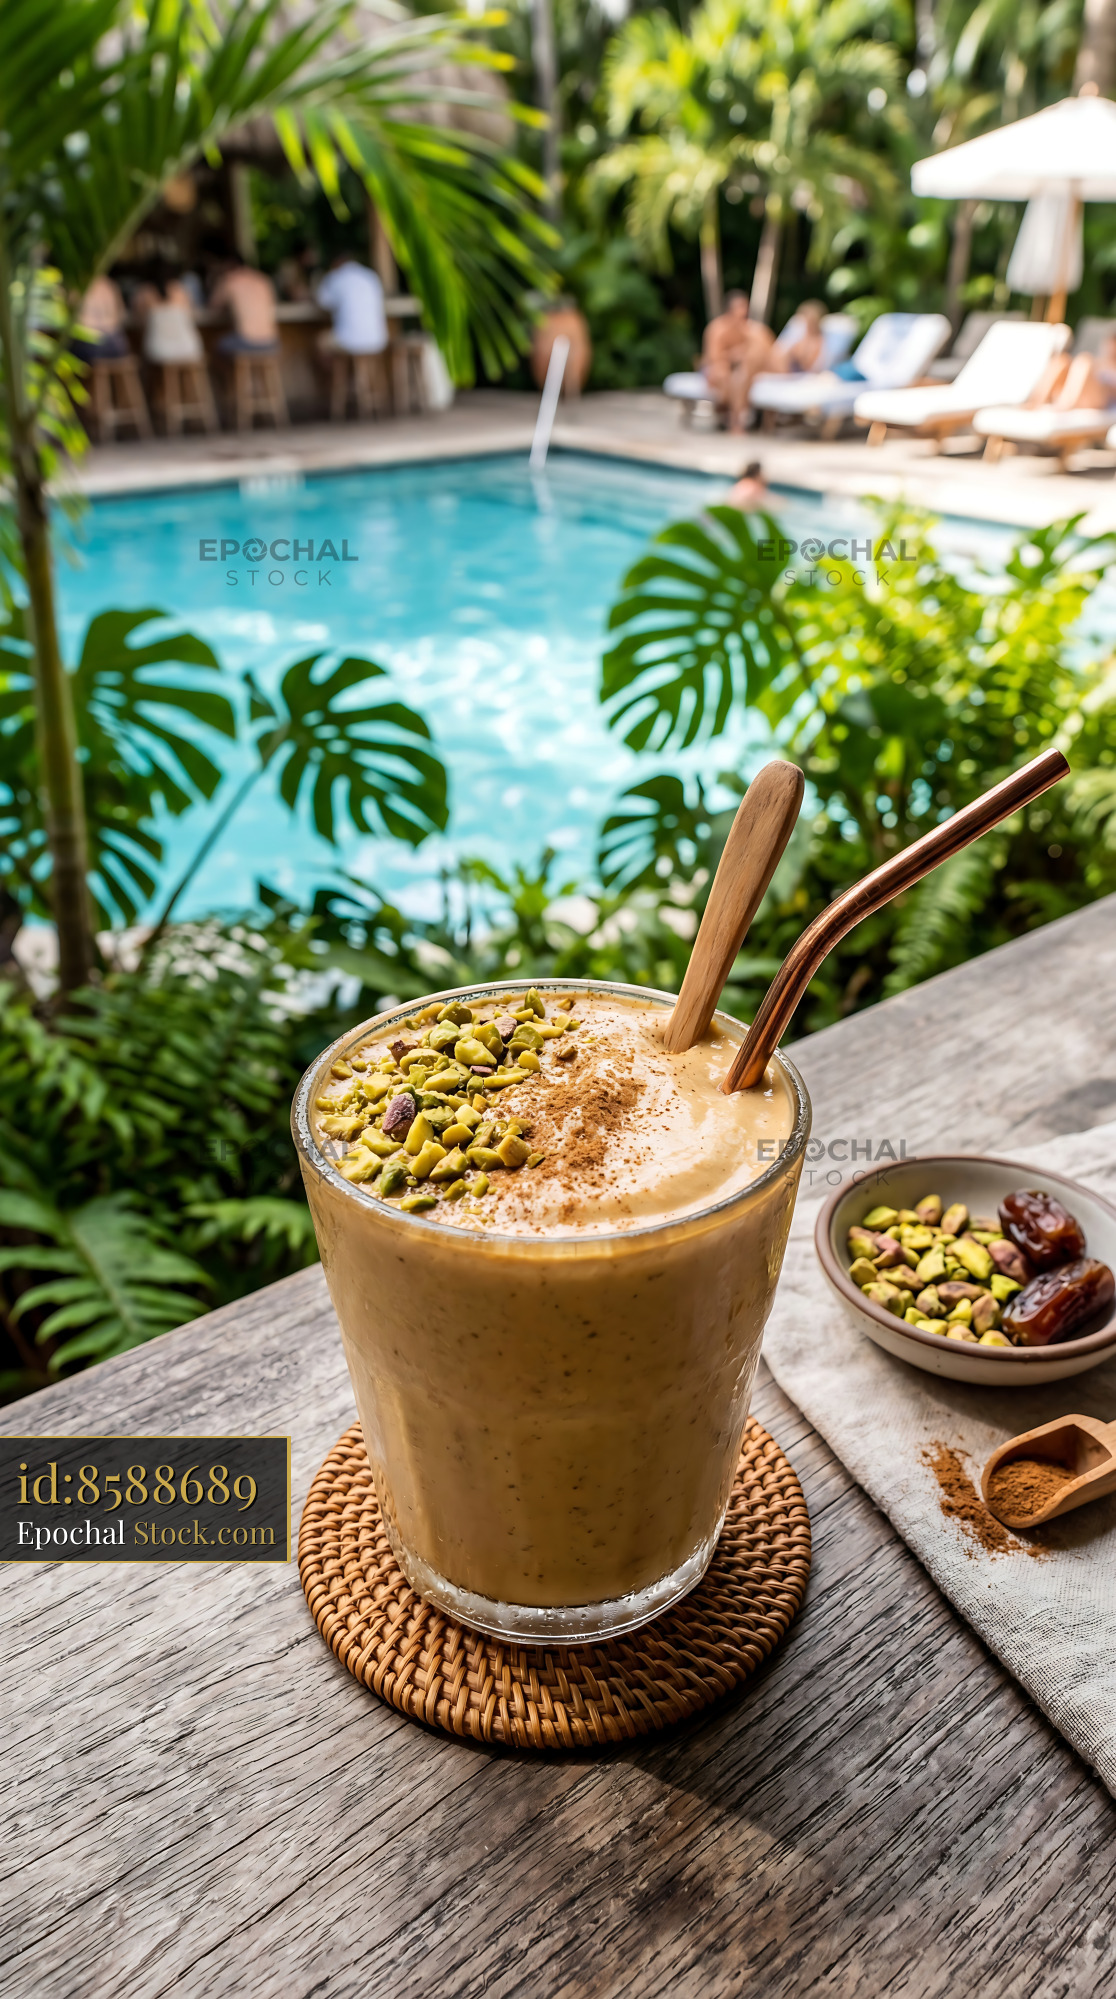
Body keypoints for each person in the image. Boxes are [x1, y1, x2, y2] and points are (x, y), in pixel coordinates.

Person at [701, 291, 774, 433]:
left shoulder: (751, 330)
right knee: (724, 374)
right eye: (740, 307)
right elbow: (713, 358)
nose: (744, 311)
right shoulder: (717, 329)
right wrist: (734, 355)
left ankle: (735, 420)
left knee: (743, 373)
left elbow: (766, 352)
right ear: (729, 311)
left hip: (741, 370)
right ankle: (732, 418)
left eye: (745, 307)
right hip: (717, 367)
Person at [315, 252, 388, 357]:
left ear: (335, 263)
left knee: (320, 342)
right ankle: (360, 372)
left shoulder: (336, 276)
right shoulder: (371, 275)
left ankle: (336, 373)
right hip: (378, 340)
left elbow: (322, 303)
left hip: (348, 341)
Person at [133, 263, 205, 365]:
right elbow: (192, 316)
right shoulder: (181, 290)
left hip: (158, 349)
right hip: (188, 347)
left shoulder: (144, 292)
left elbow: (139, 322)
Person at [208, 254, 280, 355]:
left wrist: (220, 281)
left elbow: (213, 306)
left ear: (228, 266)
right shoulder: (263, 279)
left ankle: (230, 371)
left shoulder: (231, 280)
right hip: (272, 341)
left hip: (246, 342)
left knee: (214, 345)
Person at [72, 275, 130, 363]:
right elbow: (122, 316)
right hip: (116, 344)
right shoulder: (110, 285)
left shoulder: (78, 285)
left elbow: (77, 321)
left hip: (93, 345)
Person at [765, 301, 827, 377]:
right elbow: (778, 357)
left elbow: (807, 364)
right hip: (786, 374)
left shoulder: (818, 340)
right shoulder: (797, 337)